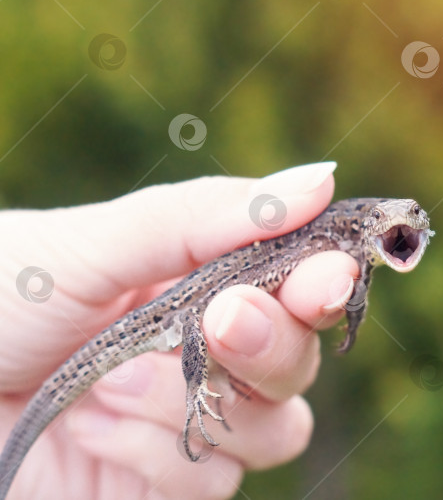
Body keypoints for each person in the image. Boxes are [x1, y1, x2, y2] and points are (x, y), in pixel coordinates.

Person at [0, 162, 359, 499]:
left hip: (184, 312)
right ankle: (196, 390)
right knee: (204, 331)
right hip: (180, 308)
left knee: (226, 330)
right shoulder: (322, 231)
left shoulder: (341, 248)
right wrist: (195, 390)